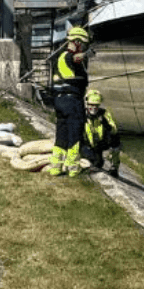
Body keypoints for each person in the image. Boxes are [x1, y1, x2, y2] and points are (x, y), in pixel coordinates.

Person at [49, 26, 93, 177]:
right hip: (72, 100)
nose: (84, 47)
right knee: (75, 132)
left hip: (59, 100)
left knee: (61, 133)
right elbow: (76, 58)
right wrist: (87, 54)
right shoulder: (70, 57)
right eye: (84, 44)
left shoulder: (60, 57)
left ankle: (56, 166)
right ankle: (73, 167)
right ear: (77, 42)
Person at [79, 89, 121, 177]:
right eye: (91, 105)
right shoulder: (82, 114)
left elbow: (114, 129)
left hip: (99, 143)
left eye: (96, 105)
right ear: (87, 103)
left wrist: (105, 123)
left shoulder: (104, 113)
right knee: (96, 163)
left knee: (115, 139)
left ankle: (114, 167)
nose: (93, 108)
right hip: (87, 144)